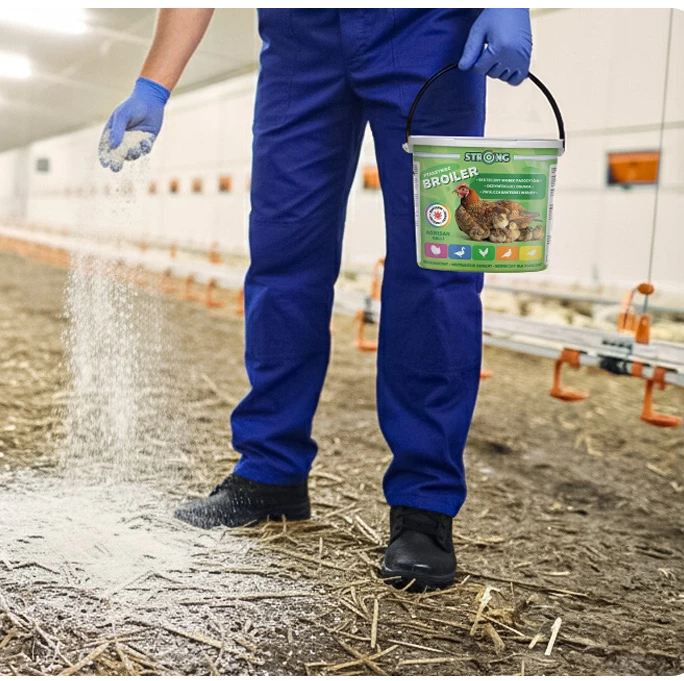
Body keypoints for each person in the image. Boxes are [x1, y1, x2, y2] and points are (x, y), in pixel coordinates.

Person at [99, 9, 532, 591]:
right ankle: (270, 471)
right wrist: (153, 84)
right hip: (300, 42)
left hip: (426, 32)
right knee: (283, 253)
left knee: (436, 269)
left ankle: (424, 504)